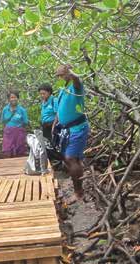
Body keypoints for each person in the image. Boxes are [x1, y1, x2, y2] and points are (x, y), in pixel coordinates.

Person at [53, 64, 90, 202]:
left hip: (77, 129)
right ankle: (78, 189)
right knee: (70, 160)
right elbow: (60, 108)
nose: (60, 77)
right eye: (59, 75)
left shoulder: (76, 86)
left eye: (62, 74)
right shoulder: (64, 89)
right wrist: (55, 123)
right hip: (67, 130)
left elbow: (77, 81)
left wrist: (72, 74)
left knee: (70, 159)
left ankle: (79, 193)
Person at [1, 90, 29, 157]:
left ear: (18, 98)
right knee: (7, 151)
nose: (13, 99)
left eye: (15, 97)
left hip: (19, 133)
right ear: (9, 99)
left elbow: (25, 122)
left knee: (20, 151)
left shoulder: (22, 110)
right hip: (8, 133)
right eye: (11, 97)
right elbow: (2, 121)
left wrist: (19, 128)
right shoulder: (5, 109)